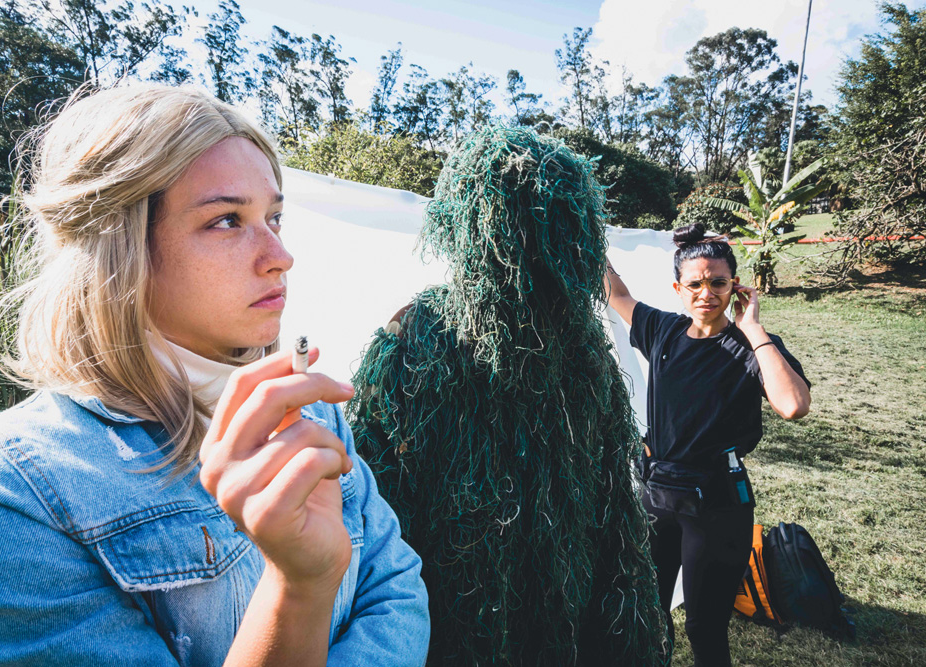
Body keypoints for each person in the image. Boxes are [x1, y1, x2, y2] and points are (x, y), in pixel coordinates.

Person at [0, 82, 429, 667]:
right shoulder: (8, 494)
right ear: (120, 247)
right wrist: (299, 589)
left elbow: (396, 591)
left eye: (275, 217)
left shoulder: (313, 412)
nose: (280, 255)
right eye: (225, 220)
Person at [347, 126, 670, 666]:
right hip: (453, 601)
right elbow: (378, 497)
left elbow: (612, 502)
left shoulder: (584, 353)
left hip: (553, 593)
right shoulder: (420, 338)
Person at [603, 222, 811, 667]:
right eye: (695, 284)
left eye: (718, 283)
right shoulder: (663, 330)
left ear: (734, 286)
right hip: (657, 497)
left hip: (717, 505)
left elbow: (793, 405)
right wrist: (585, 236)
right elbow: (616, 294)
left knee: (704, 626)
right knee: (647, 613)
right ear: (678, 288)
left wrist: (753, 329)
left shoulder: (751, 347)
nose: (706, 294)